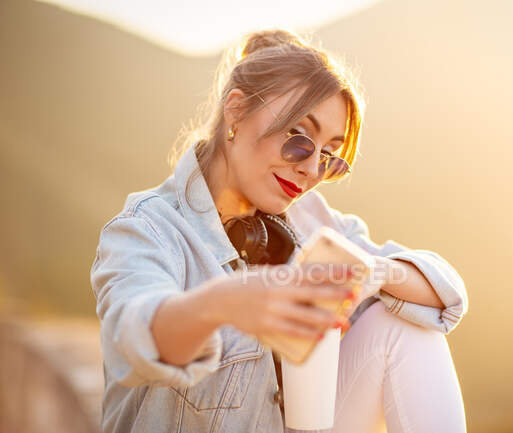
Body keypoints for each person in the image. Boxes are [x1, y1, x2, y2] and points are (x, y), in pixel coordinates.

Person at [90, 28, 469, 433]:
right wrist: (225, 301)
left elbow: (447, 297)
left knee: (403, 327)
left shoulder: (309, 220)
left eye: (329, 156)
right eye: (298, 137)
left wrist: (377, 273)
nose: (310, 170)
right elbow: (131, 335)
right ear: (235, 111)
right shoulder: (148, 228)